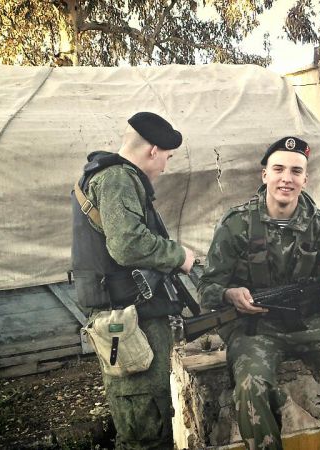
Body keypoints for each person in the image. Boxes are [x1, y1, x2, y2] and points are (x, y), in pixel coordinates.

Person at [198, 136, 320, 450]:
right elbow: (206, 288)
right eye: (279, 169)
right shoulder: (236, 225)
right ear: (265, 175)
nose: (286, 178)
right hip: (255, 330)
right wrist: (230, 294)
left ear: (305, 179)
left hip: (309, 323)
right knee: (251, 386)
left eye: (296, 171)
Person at [71, 111, 195, 449]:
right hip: (129, 320)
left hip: (131, 315)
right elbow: (127, 244)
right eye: (168, 157)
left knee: (149, 412)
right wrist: (178, 256)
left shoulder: (111, 176)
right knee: (144, 420)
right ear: (153, 150)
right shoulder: (116, 178)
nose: (165, 166)